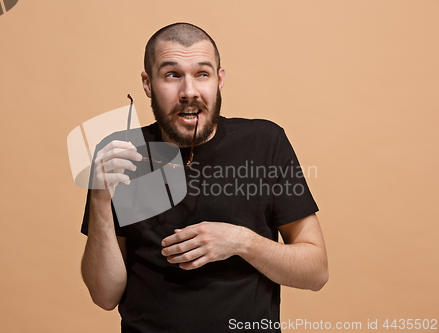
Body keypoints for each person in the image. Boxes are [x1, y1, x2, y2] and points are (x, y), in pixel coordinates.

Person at [80, 22, 328, 333]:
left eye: (202, 74)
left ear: (219, 79)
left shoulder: (265, 142)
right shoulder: (122, 154)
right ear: (147, 83)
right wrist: (99, 199)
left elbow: (316, 271)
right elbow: (105, 295)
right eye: (172, 75)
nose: (189, 92)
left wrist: (240, 241)